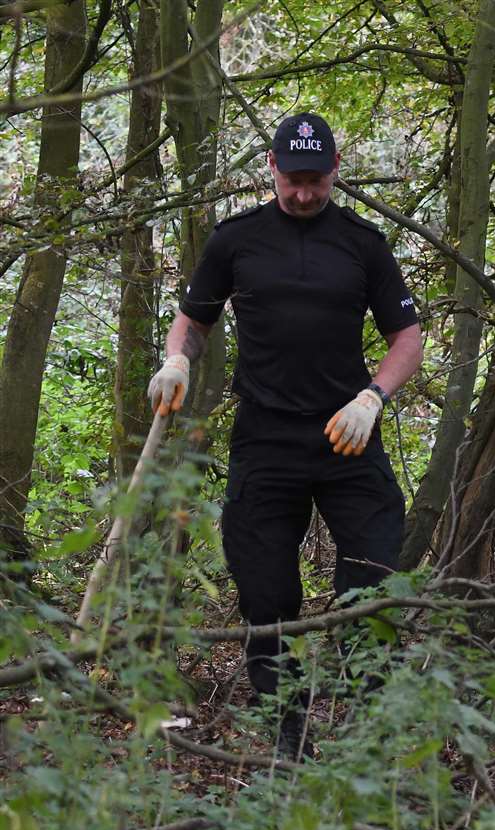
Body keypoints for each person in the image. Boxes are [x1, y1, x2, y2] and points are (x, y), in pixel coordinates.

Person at [147, 113, 423, 758]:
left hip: (347, 434)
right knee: (266, 591)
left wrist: (372, 397)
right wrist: (178, 358)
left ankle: (370, 736)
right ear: (271, 169)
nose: (304, 193)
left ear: (335, 173)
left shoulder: (363, 243)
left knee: (371, 583)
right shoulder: (236, 240)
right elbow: (194, 317)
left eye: (316, 181)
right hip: (265, 436)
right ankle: (286, 735)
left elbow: (406, 337)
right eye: (293, 180)